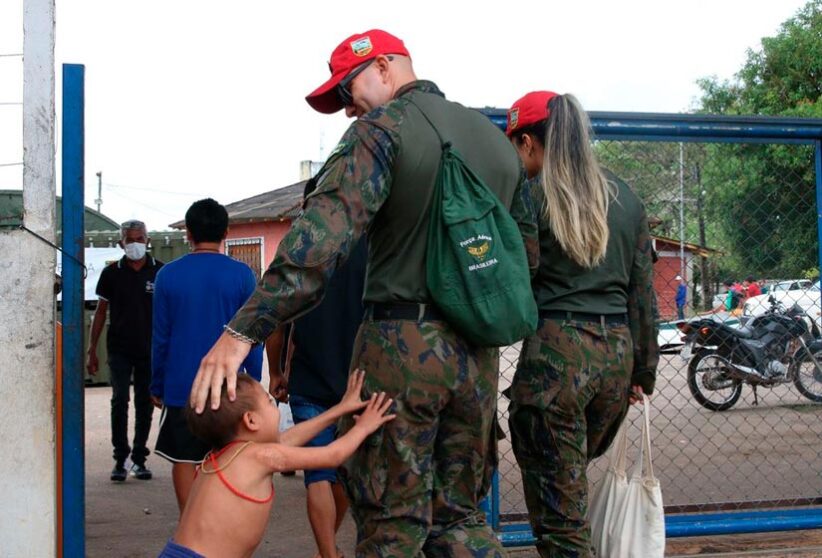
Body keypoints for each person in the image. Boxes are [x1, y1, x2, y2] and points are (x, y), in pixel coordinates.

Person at [190, 29, 537, 556]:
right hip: (477, 358)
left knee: (391, 524)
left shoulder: (383, 131)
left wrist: (242, 333)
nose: (350, 110)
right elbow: (523, 258)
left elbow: (319, 242)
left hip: (401, 349)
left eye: (349, 91)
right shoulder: (496, 143)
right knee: (462, 520)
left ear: (384, 67)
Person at [504, 90, 659, 557]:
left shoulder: (530, 196)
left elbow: (520, 280)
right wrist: (643, 371)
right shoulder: (625, 197)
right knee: (568, 489)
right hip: (615, 358)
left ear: (529, 142)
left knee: (560, 520)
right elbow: (643, 297)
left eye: (516, 146)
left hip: (557, 361)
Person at [159, 371, 395, 558]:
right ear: (251, 420)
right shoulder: (258, 456)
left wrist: (339, 410)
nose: (275, 406)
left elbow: (289, 439)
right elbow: (332, 456)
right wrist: (364, 426)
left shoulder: (226, 454)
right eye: (268, 403)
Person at [265, 179, 367, 558]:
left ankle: (327, 552)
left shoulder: (297, 249)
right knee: (338, 466)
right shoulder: (370, 244)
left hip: (309, 378)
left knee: (318, 474)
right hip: (357, 379)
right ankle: (328, 551)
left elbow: (276, 322)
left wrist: (276, 373)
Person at [151, 198, 263, 513]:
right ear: (226, 232)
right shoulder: (243, 276)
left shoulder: (167, 276)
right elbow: (252, 336)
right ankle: (220, 522)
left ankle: (191, 526)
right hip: (228, 386)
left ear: (188, 233)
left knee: (184, 459)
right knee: (226, 457)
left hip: (181, 387)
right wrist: (251, 383)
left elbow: (160, 337)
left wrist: (156, 384)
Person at [87, 219, 163, 482]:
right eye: (129, 240)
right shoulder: (111, 274)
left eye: (139, 239)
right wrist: (91, 350)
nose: (135, 244)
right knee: (120, 401)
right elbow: (100, 312)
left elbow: (170, 315)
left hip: (150, 351)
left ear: (148, 241)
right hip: (119, 349)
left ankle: (140, 460)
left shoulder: (160, 272)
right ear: (121, 243)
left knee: (145, 403)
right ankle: (120, 459)